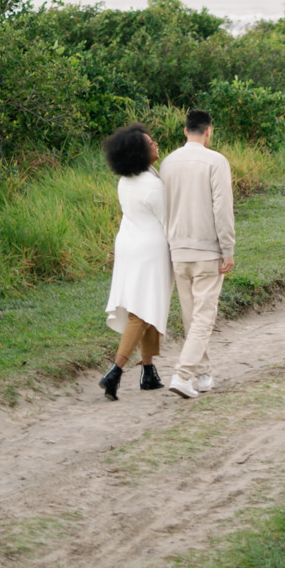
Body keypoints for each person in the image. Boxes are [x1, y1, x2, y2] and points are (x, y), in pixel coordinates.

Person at [159, 108, 235, 400]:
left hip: (178, 249)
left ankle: (202, 375)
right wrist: (227, 249)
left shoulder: (168, 163)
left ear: (184, 130)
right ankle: (183, 373)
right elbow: (222, 208)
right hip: (206, 250)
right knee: (203, 317)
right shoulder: (216, 161)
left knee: (192, 315)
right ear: (209, 131)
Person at [99, 123, 173, 400]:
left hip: (129, 244)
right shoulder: (153, 185)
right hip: (149, 249)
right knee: (142, 312)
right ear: (139, 152)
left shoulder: (127, 179)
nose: (156, 144)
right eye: (150, 142)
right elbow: (169, 223)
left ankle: (149, 371)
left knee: (149, 305)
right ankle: (115, 371)